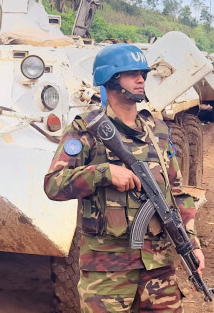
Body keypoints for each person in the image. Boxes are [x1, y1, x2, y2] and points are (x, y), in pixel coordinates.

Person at [44, 43, 204, 312]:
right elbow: (53, 184)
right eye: (131, 74)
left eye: (142, 73)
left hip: (158, 269)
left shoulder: (158, 131)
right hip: (107, 273)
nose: (141, 79)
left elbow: (177, 193)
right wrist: (103, 173)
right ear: (110, 80)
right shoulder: (86, 130)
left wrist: (193, 244)